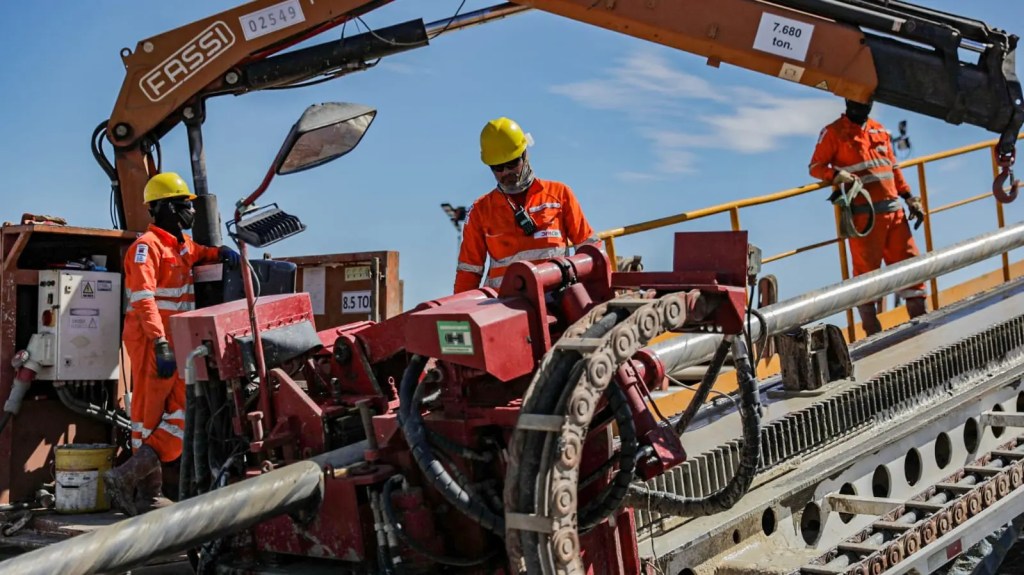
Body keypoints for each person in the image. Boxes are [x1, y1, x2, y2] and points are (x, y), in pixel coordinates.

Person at [104, 172, 239, 515]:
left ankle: (126, 477)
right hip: (154, 344)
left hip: (177, 342)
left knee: (182, 412)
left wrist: (221, 253)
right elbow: (143, 299)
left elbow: (201, 253)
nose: (189, 212)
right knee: (148, 418)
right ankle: (145, 492)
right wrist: (160, 342)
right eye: (183, 205)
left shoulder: (180, 247)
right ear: (163, 208)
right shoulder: (145, 248)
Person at [809, 99, 928, 336]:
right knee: (866, 283)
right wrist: (835, 175)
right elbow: (815, 166)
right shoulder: (833, 132)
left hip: (895, 216)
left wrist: (910, 197)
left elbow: (893, 168)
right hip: (865, 221)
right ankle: (873, 338)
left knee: (913, 273)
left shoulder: (879, 130)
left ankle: (924, 329)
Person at [454, 117, 603, 293]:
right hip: (505, 309)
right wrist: (458, 313)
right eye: (498, 168)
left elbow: (590, 251)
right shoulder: (481, 210)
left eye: (512, 163)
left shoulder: (559, 194)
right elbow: (468, 272)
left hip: (557, 302)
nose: (506, 172)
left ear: (525, 155)